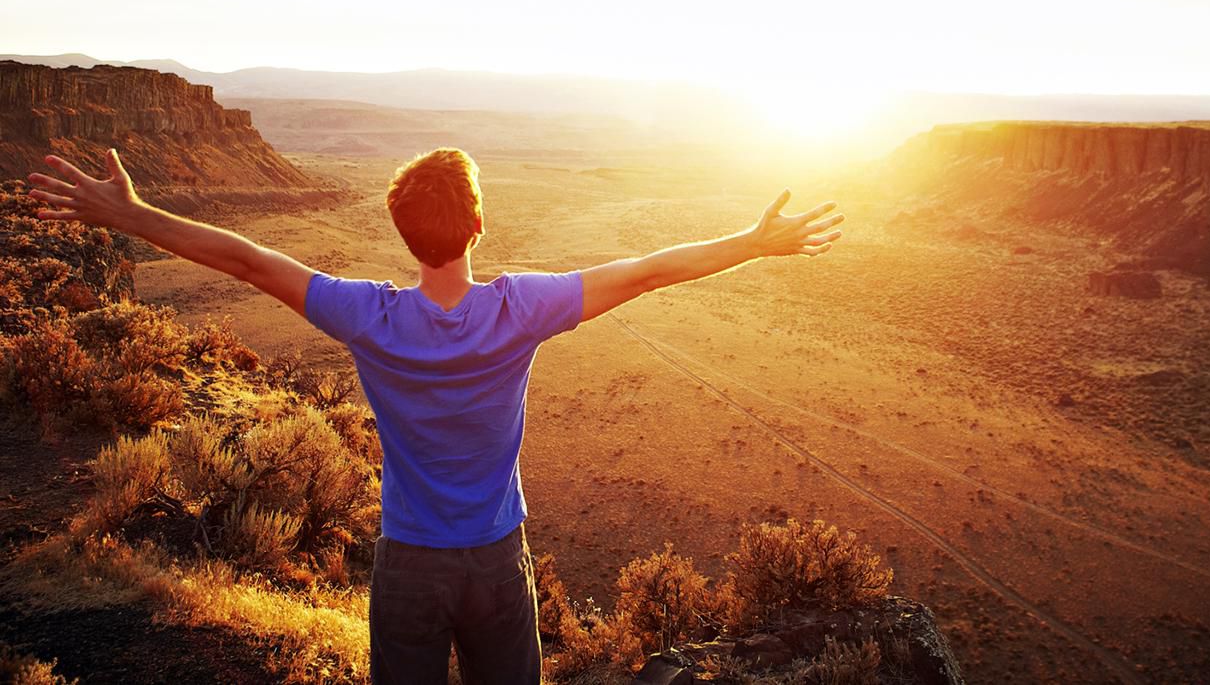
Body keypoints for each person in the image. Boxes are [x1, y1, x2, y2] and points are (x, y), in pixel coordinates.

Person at [26, 147, 843, 684]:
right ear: (479, 224)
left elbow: (244, 258)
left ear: (404, 234)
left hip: (410, 562)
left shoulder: (367, 316)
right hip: (495, 558)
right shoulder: (521, 308)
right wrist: (752, 241)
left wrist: (127, 215)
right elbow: (647, 272)